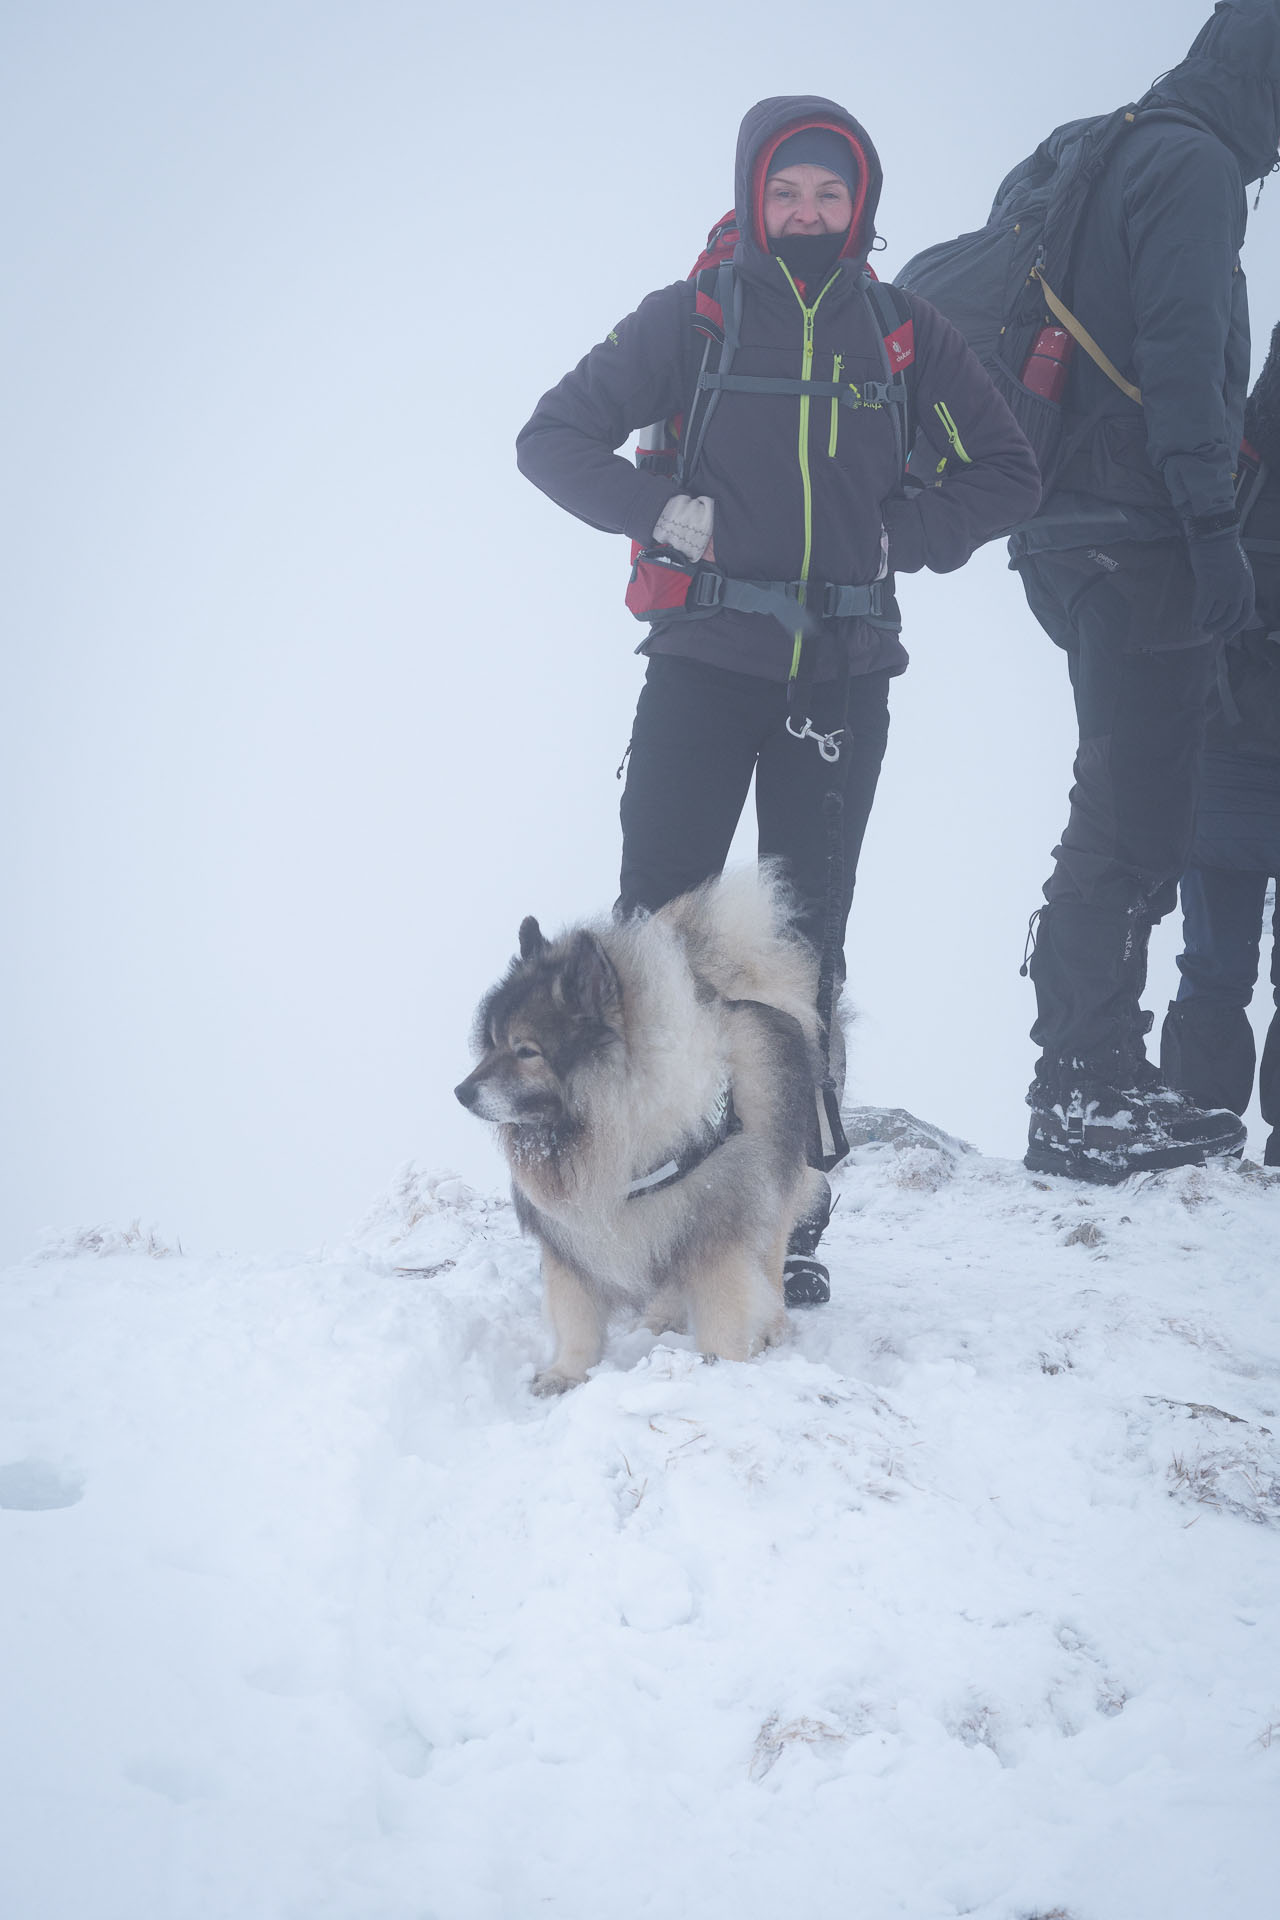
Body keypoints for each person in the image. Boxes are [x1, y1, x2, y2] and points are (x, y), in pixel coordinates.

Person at [517, 94, 1040, 1298]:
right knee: (652, 941)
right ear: (754, 197)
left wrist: (901, 530)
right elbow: (551, 438)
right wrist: (654, 510)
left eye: (829, 195)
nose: (807, 213)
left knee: (803, 958)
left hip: (838, 683)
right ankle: (636, 1194)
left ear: (859, 205)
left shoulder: (901, 332)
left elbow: (1007, 469)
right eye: (787, 193)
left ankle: (780, 1217)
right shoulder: (690, 318)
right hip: (700, 668)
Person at [1010, 0, 1280, 1182]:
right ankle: (1079, 1088)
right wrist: (1212, 525)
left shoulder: (1107, 138)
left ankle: (1097, 1074)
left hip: (1068, 522)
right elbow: (1181, 360)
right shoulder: (1198, 163)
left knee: (1123, 805)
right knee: (1125, 818)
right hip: (1139, 532)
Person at [1160, 320, 1280, 1166]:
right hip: (1230, 751)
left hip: (1222, 743)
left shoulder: (1231, 460)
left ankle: (1197, 1134)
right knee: (1213, 968)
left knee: (1211, 967)